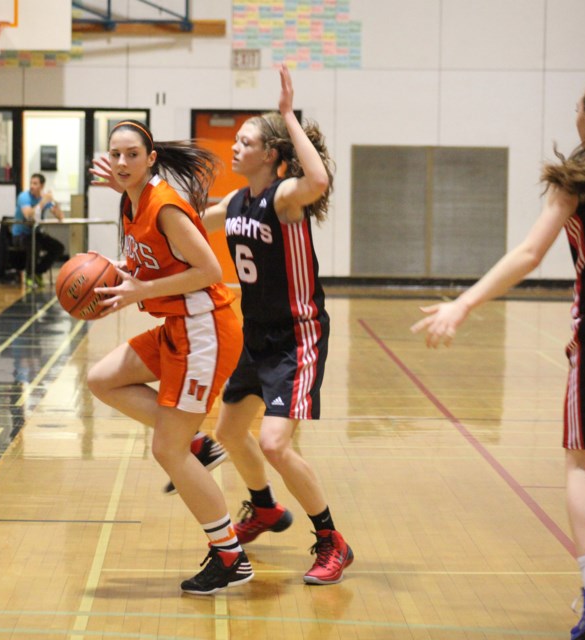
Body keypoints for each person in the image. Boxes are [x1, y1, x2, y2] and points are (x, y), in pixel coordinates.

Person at [411, 76, 585, 640]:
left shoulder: (577, 177)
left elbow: (530, 252)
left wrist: (465, 302)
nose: (574, 115)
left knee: (583, 463)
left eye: (578, 108)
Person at [200, 64, 354, 586]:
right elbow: (185, 224)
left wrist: (287, 114)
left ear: (270, 153)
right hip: (256, 337)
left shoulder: (285, 198)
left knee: (273, 444)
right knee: (227, 432)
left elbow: (319, 180)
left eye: (244, 142)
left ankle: (332, 539)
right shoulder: (235, 202)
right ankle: (264, 509)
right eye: (235, 141)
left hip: (297, 335)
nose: (234, 148)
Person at [86, 120, 252, 595]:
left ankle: (230, 558)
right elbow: (151, 262)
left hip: (206, 331)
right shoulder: (129, 200)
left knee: (165, 449)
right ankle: (197, 444)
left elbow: (209, 269)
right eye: (115, 155)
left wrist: (142, 289)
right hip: (178, 326)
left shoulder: (165, 206)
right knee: (102, 379)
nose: (121, 163)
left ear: (151, 157)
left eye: (131, 155)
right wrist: (112, 272)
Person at [12, 173, 65, 287]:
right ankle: (30, 275)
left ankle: (39, 271)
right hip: (21, 234)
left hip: (36, 233)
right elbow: (28, 215)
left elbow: (60, 216)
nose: (32, 186)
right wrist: (42, 203)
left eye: (35, 184)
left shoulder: (44, 198)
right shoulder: (24, 197)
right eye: (31, 183)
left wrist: (54, 202)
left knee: (58, 247)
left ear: (41, 186)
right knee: (34, 244)